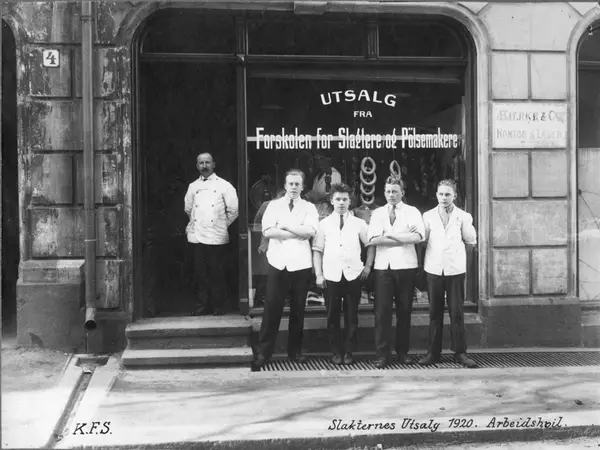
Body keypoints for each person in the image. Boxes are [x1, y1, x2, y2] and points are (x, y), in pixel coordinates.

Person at [253, 169, 319, 370]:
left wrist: (284, 227)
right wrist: (296, 231)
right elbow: (267, 231)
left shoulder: (309, 207)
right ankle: (264, 353)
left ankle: (295, 352)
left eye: (297, 184)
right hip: (278, 263)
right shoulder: (273, 206)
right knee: (272, 308)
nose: (294, 187)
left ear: (303, 186)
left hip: (300, 264)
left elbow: (310, 231)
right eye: (291, 183)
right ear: (285, 185)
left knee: (298, 310)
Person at [312, 183, 375, 365]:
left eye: (345, 199)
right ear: (332, 201)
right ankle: (335, 352)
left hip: (353, 275)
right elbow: (317, 251)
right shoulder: (323, 224)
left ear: (350, 201)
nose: (341, 203)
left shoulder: (359, 223)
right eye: (338, 199)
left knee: (351, 315)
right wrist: (319, 274)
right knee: (332, 316)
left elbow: (370, 245)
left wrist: (367, 267)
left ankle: (348, 351)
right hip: (331, 276)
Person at [418, 179, 478, 368]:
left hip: (455, 270)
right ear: (436, 195)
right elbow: (423, 241)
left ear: (455, 196)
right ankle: (433, 353)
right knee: (434, 312)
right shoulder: (427, 216)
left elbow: (470, 242)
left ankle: (460, 353)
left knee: (456, 312)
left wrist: (459, 261)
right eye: (441, 194)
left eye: (448, 194)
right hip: (434, 269)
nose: (444, 198)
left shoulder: (464, 216)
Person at [367, 175, 425, 369]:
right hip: (383, 268)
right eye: (388, 191)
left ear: (402, 193)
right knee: (382, 312)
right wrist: (403, 237)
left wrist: (389, 235)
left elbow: (418, 237)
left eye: (394, 191)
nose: (391, 195)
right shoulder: (378, 213)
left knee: (404, 311)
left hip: (406, 267)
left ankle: (402, 353)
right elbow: (373, 239)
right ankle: (382, 355)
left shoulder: (412, 212)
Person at [184, 152, 239, 316]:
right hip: (198, 236)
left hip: (217, 236)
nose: (204, 166)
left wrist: (221, 225)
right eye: (201, 163)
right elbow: (188, 209)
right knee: (200, 274)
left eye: (207, 162)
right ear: (197, 166)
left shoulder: (225, 186)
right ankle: (202, 306)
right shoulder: (193, 186)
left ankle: (217, 306)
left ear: (213, 164)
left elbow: (234, 210)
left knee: (217, 273)